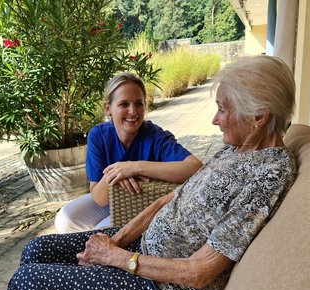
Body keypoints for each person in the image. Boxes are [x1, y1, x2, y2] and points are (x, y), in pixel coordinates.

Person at [1, 55, 297, 290]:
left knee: (27, 282)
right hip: (141, 252)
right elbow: (168, 199)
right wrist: (116, 241)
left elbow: (199, 272)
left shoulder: (268, 173)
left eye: (222, 109)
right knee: (36, 249)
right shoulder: (235, 150)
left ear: (258, 116)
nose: (215, 120)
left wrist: (113, 257)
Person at [55, 72, 202, 233]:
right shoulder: (98, 135)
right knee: (65, 219)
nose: (133, 111)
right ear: (107, 108)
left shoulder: (155, 135)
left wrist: (135, 167)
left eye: (139, 103)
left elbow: (195, 167)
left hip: (143, 203)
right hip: (109, 201)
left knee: (101, 232)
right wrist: (119, 172)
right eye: (124, 104)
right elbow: (99, 197)